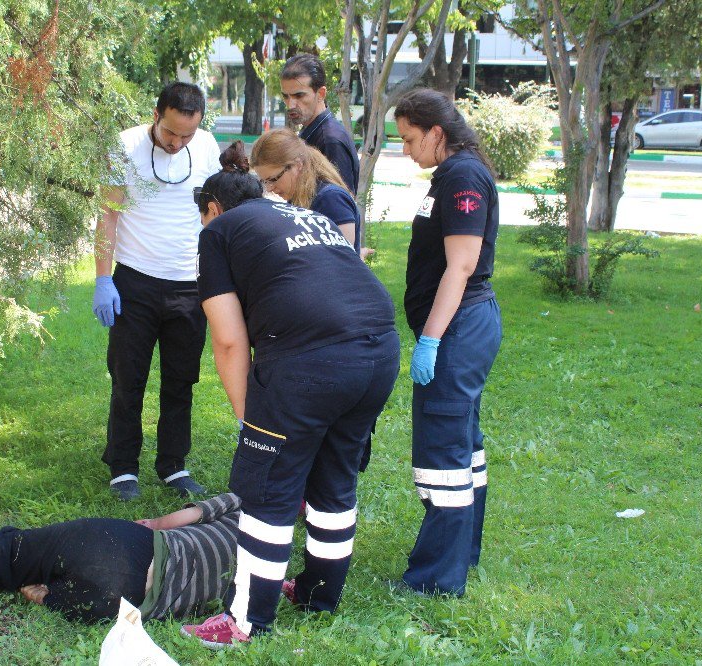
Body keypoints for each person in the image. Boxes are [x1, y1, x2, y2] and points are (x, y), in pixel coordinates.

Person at [180, 142, 399, 648]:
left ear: (212, 210)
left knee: (268, 491)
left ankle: (245, 622)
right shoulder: (308, 215)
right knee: (335, 477)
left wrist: (249, 422)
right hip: (379, 353)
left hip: (311, 362)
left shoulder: (218, 233)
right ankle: (320, 596)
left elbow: (230, 340)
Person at [389, 89, 503, 597]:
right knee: (461, 446)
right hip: (462, 325)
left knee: (443, 455)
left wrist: (431, 339)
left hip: (459, 327)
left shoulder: (463, 175)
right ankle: (462, 554)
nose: (408, 151)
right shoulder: (453, 173)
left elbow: (460, 265)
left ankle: (436, 579)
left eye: (411, 140)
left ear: (437, 133)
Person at [93, 82, 220, 501]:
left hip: (190, 284)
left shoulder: (204, 147)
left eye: (186, 134)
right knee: (128, 380)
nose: (177, 142)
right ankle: (123, 466)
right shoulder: (124, 146)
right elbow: (107, 216)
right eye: (171, 133)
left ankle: (173, 465)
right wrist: (102, 278)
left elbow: (215, 216)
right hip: (135, 281)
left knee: (181, 381)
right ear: (156, 113)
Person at [0, 493, 242, 620]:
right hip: (123, 605)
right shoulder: (270, 573)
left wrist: (153, 522)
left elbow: (189, 516)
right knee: (16, 579)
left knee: (1, 551)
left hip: (129, 548)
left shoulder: (247, 505)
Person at [250, 128, 361, 251]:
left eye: (273, 179)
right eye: (264, 181)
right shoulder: (299, 197)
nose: (269, 188)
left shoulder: (332, 199)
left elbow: (343, 259)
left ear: (298, 165)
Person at [280, 54, 359, 196]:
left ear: (321, 94)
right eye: (286, 96)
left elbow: (341, 205)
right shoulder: (312, 131)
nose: (291, 104)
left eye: (299, 95)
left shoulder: (330, 140)